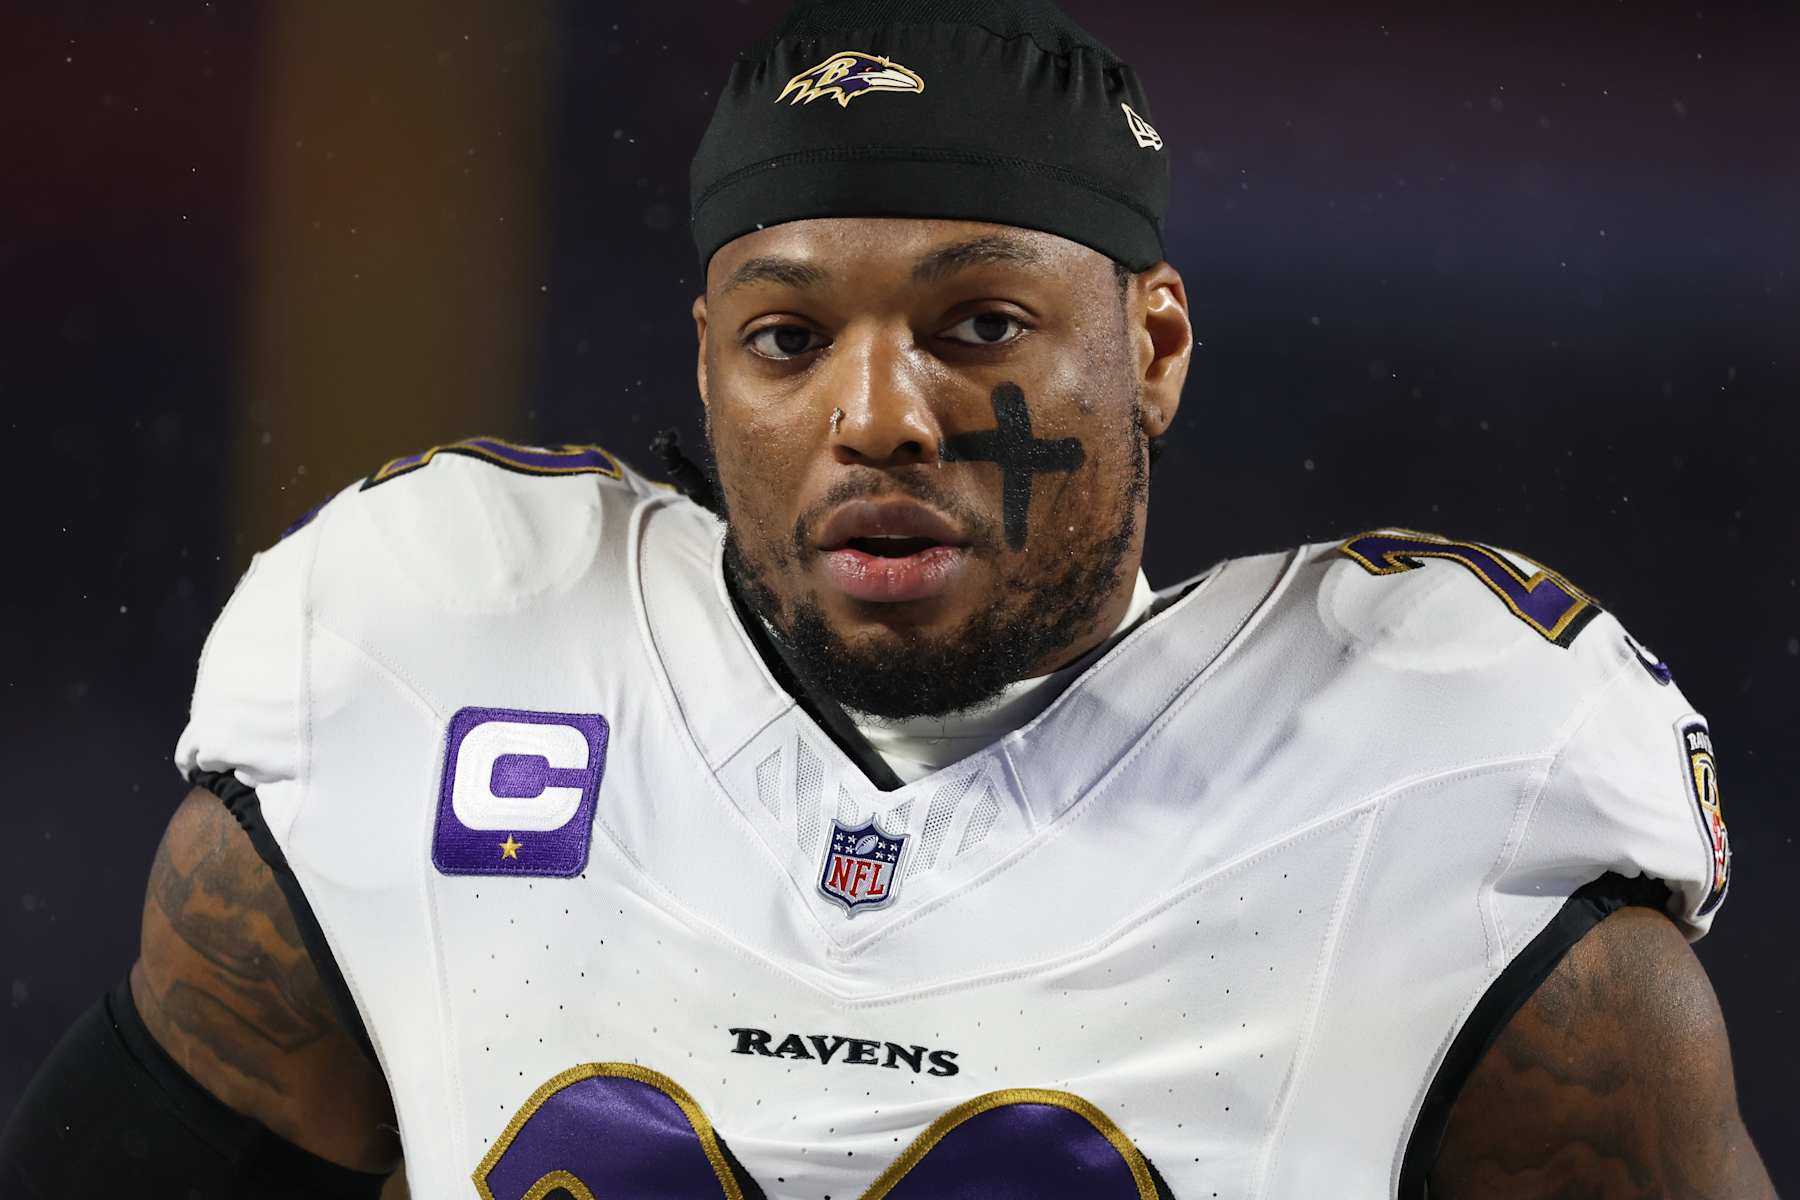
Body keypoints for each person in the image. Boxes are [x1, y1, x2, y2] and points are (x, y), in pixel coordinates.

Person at [2, 0, 1774, 1196]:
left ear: (1150, 344)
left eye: (975, 326)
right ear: (706, 364)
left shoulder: (1428, 776)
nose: (877, 416)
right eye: (790, 340)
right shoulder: (432, 660)